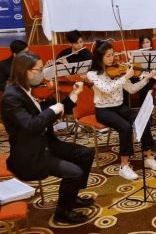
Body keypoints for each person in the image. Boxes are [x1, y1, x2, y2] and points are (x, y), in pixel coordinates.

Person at [1, 51, 95, 224]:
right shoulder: (11, 97)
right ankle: (63, 211)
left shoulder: (26, 89)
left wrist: (74, 95)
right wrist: (52, 110)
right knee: (74, 172)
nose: (43, 73)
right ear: (25, 71)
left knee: (86, 153)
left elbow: (52, 113)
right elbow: (31, 124)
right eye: (39, 69)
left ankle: (71, 196)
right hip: (30, 155)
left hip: (46, 144)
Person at [87, 40, 156, 181]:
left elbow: (131, 89)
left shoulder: (118, 70)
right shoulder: (93, 74)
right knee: (125, 127)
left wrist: (146, 79)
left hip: (120, 107)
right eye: (108, 56)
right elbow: (107, 89)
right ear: (99, 57)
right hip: (104, 110)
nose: (113, 58)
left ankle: (149, 157)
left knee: (142, 118)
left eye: (113, 55)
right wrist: (126, 76)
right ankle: (124, 166)